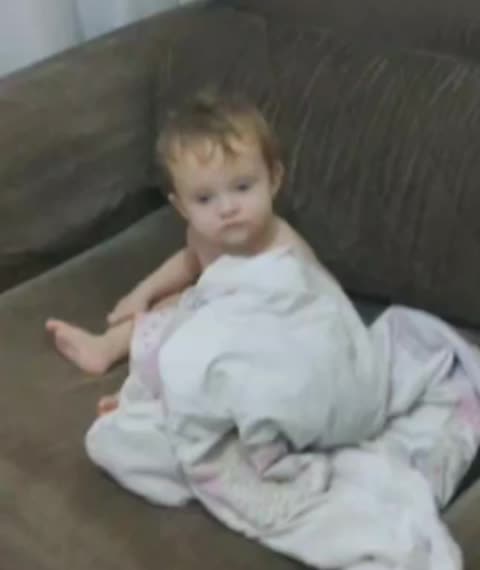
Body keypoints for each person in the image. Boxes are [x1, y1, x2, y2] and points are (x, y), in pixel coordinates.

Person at [45, 89, 316, 415]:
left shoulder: (285, 249)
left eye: (242, 187)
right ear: (182, 207)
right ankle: (107, 347)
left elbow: (317, 311)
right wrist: (141, 294)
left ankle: (149, 402)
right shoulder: (204, 234)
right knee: (169, 306)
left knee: (205, 354)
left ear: (273, 180)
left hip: (264, 338)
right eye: (205, 199)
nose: (227, 208)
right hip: (211, 317)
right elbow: (189, 262)